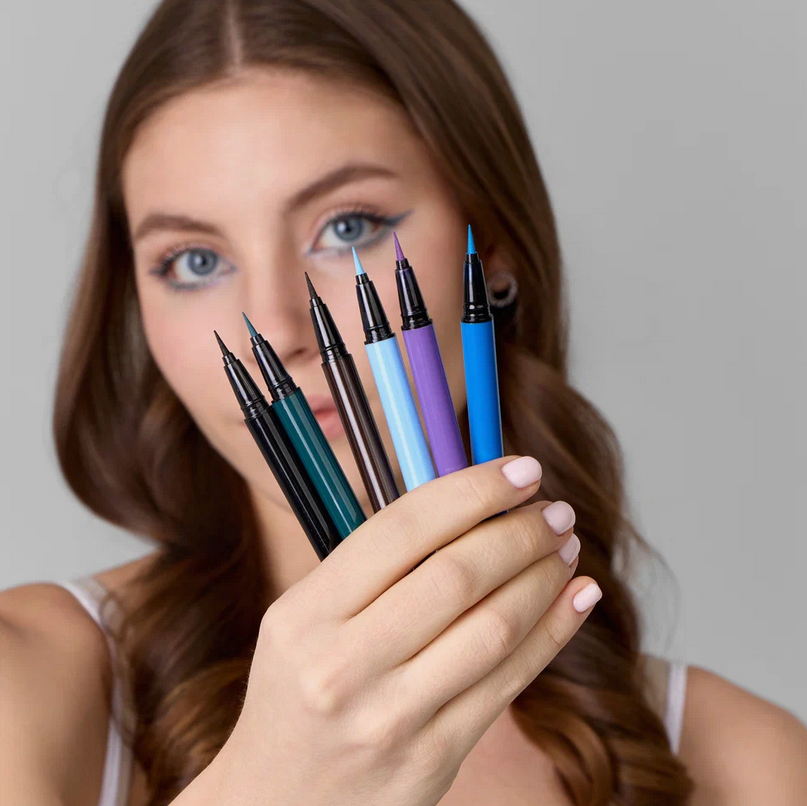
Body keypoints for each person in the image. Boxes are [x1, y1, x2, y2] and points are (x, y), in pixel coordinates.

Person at [1, 0, 805, 804]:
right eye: (194, 261)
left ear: (492, 245)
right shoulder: (27, 687)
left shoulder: (746, 765)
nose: (278, 328)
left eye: (348, 226)